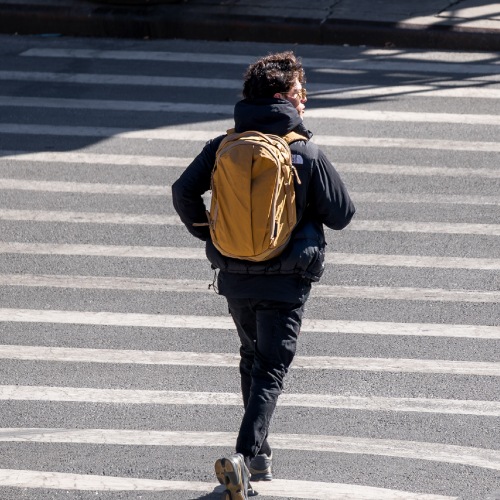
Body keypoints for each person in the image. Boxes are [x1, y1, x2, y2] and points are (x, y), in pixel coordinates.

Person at [172, 51, 355, 500]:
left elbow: (183, 190)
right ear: (282, 97)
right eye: (300, 92)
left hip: (234, 273)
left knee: (252, 359)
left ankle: (259, 458)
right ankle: (243, 456)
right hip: (285, 279)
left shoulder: (223, 146)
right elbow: (342, 214)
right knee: (271, 368)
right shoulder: (303, 151)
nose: (304, 99)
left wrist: (212, 234)